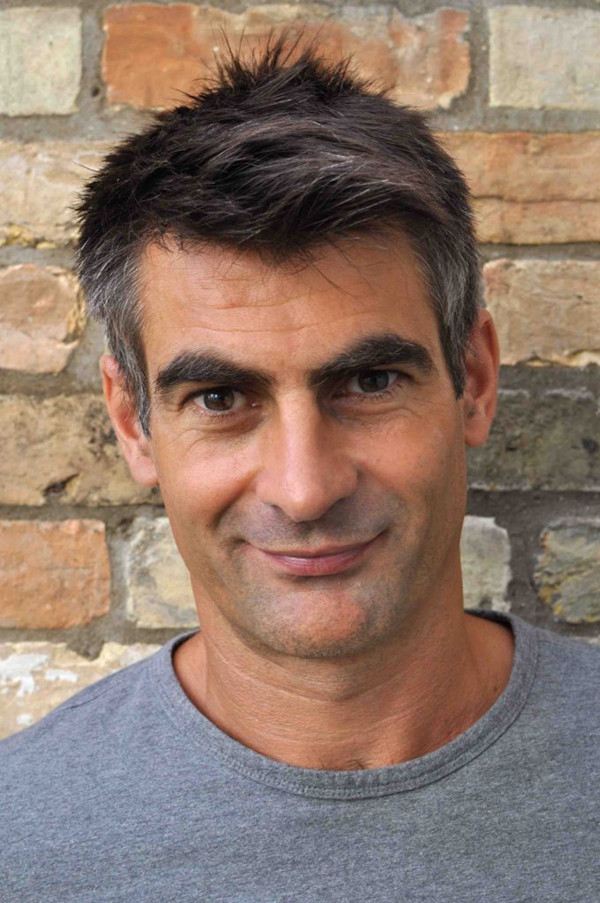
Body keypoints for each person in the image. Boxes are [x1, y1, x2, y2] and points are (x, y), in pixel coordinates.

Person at [1, 40, 599, 902]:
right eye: (220, 397)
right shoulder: (22, 838)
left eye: (370, 382)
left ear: (472, 380)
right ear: (133, 422)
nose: (305, 488)